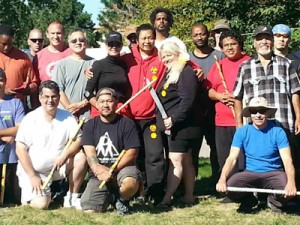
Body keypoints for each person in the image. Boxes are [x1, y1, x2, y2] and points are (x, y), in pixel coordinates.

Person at [233, 25, 300, 168]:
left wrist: (299, 117)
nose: (264, 42)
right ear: (254, 43)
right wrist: (239, 124)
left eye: (267, 38)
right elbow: (237, 97)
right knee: (256, 166)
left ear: (272, 41)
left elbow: (295, 92)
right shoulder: (245, 67)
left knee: (287, 165)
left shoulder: (286, 64)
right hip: (255, 127)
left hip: (283, 124)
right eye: (259, 39)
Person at [216, 97, 297, 213]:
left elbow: (287, 160)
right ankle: (249, 200)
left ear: (268, 113)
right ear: (250, 114)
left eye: (262, 111)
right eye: (254, 111)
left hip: (274, 172)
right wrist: (222, 179)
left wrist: (291, 183)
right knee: (227, 188)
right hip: (250, 172)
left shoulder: (278, 132)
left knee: (288, 191)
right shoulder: (242, 131)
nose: (258, 115)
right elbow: (232, 158)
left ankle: (273, 202)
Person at [16, 80, 87, 209]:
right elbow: (20, 149)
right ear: (40, 98)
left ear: (59, 98)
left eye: (54, 96)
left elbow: (78, 139)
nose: (50, 100)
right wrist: (32, 176)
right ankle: (38, 195)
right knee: (41, 204)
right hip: (33, 171)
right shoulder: (30, 118)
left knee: (81, 157)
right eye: (46, 97)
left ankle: (71, 197)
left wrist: (64, 155)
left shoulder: (67, 117)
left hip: (57, 167)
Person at [81, 88, 140, 214]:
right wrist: (98, 169)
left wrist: (112, 169)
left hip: (122, 169)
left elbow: (132, 152)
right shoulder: (89, 125)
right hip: (99, 174)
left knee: (130, 182)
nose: (105, 105)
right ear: (96, 104)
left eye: (109, 101)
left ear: (116, 102)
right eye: (102, 102)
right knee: (89, 211)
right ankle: (112, 197)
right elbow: (90, 153)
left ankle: (122, 200)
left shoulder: (127, 124)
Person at [156, 42, 201, 207]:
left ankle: (167, 199)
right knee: (187, 161)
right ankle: (189, 196)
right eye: (163, 56)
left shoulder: (186, 71)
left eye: (169, 55)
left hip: (183, 126)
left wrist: (173, 119)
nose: (166, 59)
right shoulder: (172, 72)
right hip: (180, 126)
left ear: (177, 54)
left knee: (175, 160)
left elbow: (188, 100)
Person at [206, 30, 251, 173]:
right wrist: (220, 96)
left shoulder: (250, 63)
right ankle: (231, 192)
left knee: (245, 159)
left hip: (246, 121)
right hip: (222, 122)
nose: (229, 48)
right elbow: (209, 90)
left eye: (233, 44)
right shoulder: (218, 65)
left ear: (240, 45)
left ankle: (249, 191)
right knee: (225, 159)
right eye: (226, 45)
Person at [188, 23, 224, 181]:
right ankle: (191, 184)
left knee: (216, 146)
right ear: (191, 37)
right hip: (194, 109)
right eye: (195, 35)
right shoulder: (187, 59)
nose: (199, 38)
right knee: (193, 148)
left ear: (208, 35)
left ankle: (217, 180)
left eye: (202, 34)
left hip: (215, 108)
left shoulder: (219, 56)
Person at [84, 31, 131, 118]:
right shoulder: (99, 65)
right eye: (111, 44)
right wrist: (100, 106)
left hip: (121, 110)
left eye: (117, 44)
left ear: (121, 46)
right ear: (106, 46)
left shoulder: (124, 64)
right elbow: (87, 93)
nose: (114, 47)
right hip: (102, 112)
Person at [52, 28, 93, 121]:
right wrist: (70, 110)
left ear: (86, 43)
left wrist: (81, 104)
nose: (78, 43)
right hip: (65, 117)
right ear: (69, 44)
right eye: (74, 41)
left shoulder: (95, 64)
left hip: (88, 117)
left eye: (81, 40)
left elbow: (97, 90)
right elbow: (58, 89)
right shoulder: (61, 65)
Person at [0, 68, 25, 204]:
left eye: (1, 80)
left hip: (12, 157)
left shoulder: (16, 103)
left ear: (5, 82)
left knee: (14, 198)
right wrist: (3, 136)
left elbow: (20, 128)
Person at [0, 24, 39, 111]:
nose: (7, 47)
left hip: (16, 107)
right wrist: (3, 89)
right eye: (3, 44)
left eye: (10, 44)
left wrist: (28, 89)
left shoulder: (23, 58)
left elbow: (34, 83)